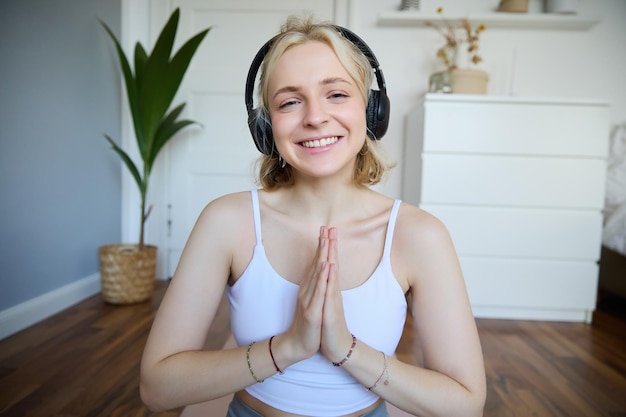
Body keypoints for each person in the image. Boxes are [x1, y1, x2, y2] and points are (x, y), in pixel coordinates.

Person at [140, 14, 486, 417]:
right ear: (266, 127)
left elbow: (465, 404)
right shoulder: (226, 222)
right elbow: (157, 388)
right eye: (290, 101)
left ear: (371, 110)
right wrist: (287, 347)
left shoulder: (420, 236)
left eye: (336, 94)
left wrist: (346, 350)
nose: (315, 117)